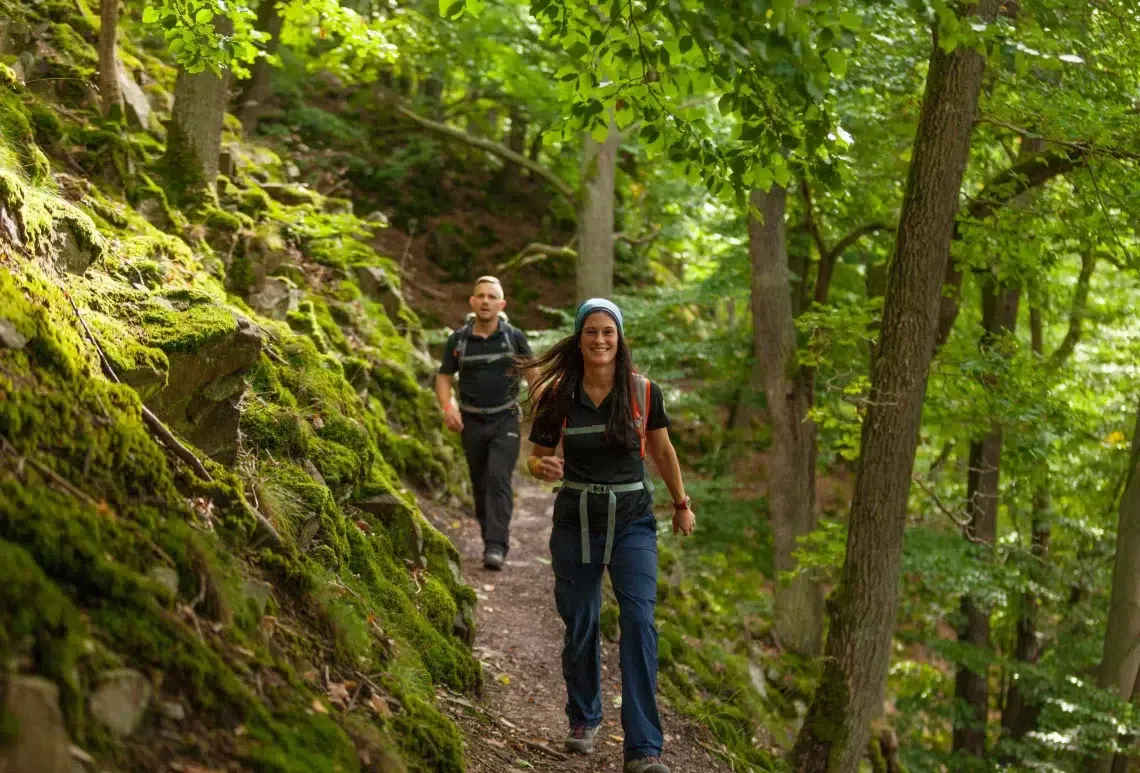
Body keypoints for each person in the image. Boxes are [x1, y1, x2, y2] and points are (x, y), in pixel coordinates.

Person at [518, 298, 695, 773]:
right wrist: (542, 466)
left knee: (639, 621)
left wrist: (681, 504)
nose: (600, 340)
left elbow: (661, 448)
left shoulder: (641, 391)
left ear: (620, 339)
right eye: (591, 332)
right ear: (579, 339)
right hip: (576, 519)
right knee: (581, 621)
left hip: (633, 521)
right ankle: (584, 716)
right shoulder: (558, 394)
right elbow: (535, 457)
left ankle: (643, 749)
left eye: (608, 332)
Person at [436, 276, 532, 570]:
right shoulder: (459, 340)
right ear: (473, 302)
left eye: (492, 296)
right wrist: (447, 408)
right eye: (481, 296)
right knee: (479, 482)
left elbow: (534, 374)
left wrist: (544, 408)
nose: (486, 301)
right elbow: (443, 378)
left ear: (501, 304)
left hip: (505, 418)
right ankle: (488, 536)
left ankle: (496, 545)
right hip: (471, 422)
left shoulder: (513, 337)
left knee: (498, 478)